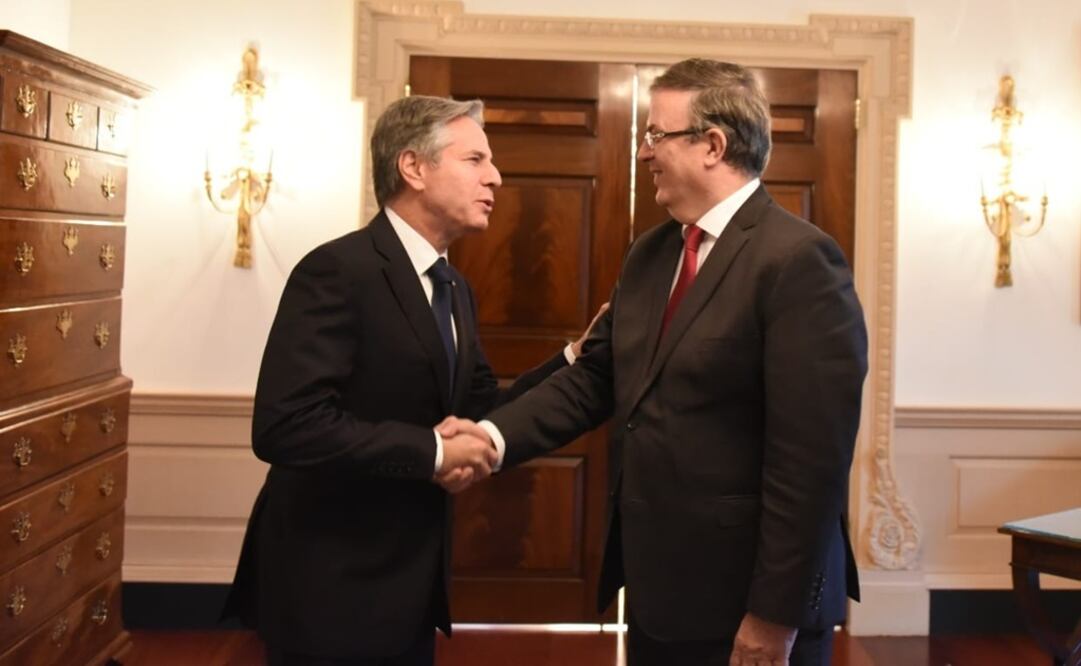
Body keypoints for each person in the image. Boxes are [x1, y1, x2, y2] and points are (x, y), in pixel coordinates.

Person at [440, 59, 868, 666]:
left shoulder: (799, 262)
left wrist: (775, 614)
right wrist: (487, 437)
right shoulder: (651, 254)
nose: (643, 152)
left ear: (712, 145)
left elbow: (812, 463)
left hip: (750, 602)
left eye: (655, 135)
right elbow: (595, 378)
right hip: (659, 591)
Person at [222, 94, 598, 665]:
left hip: (410, 582)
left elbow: (479, 407)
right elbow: (285, 425)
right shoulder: (339, 271)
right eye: (475, 160)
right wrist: (431, 452)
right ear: (413, 167)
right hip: (331, 581)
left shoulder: (453, 287)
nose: (495, 177)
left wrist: (573, 357)